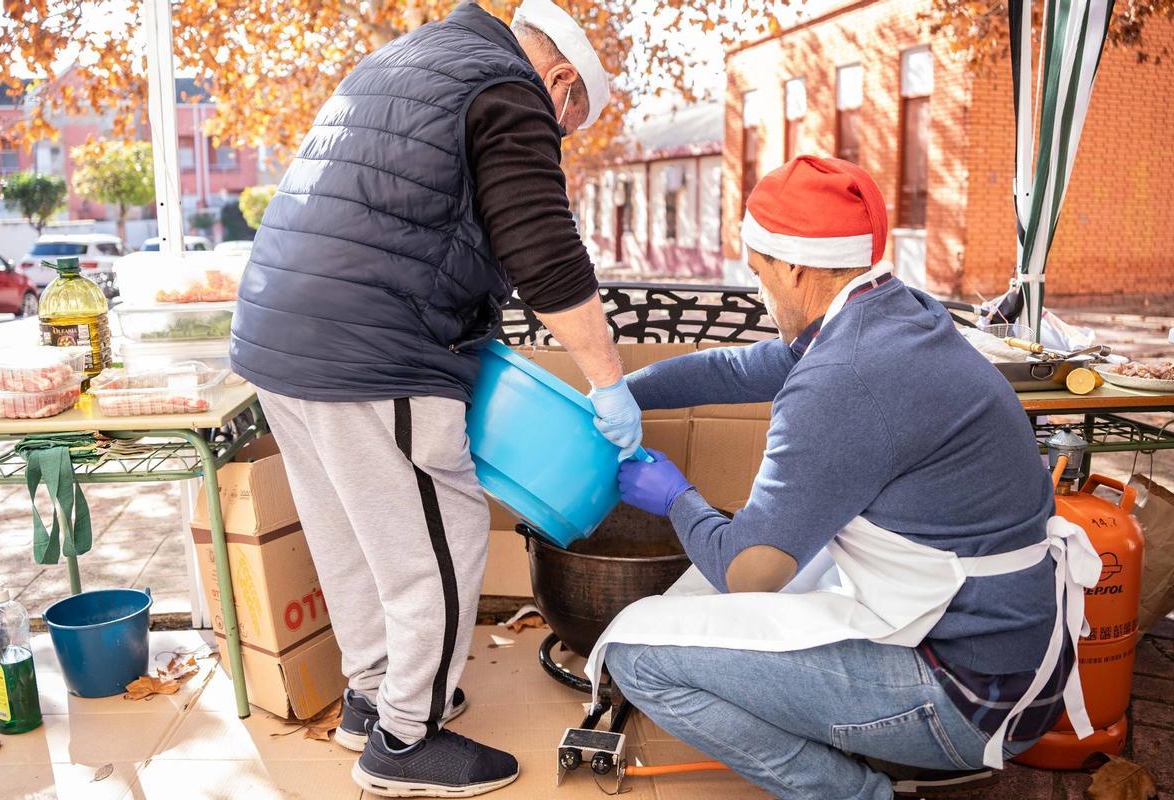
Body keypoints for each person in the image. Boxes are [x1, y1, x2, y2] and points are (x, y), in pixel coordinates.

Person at [590, 156, 1101, 800]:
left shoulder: (843, 378)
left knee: (638, 657)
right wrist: (619, 392)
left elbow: (747, 571)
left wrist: (675, 497)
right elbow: (740, 370)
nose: (758, 293)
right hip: (1017, 652)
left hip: (967, 696)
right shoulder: (892, 314)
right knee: (779, 564)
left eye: (758, 273)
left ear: (794, 268)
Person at [229, 1, 642, 796]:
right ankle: (405, 741)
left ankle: (372, 700)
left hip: (276, 337)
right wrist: (609, 383)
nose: (558, 139)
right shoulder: (509, 89)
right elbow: (545, 252)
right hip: (376, 347)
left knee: (354, 534)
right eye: (569, 125)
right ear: (559, 82)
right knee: (441, 546)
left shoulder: (403, 60)